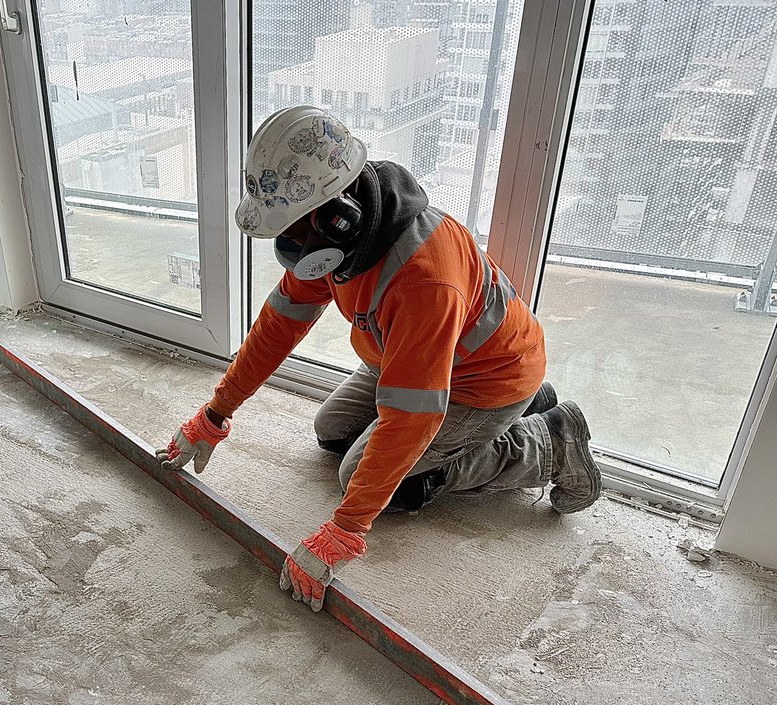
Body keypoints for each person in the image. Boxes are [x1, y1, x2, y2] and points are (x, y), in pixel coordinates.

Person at [157, 106, 601, 612]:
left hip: (486, 377)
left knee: (373, 482)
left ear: (339, 214)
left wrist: (345, 529)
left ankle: (550, 443)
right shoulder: (327, 233)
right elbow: (278, 325)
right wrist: (214, 415)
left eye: (294, 233)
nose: (290, 247)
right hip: (408, 359)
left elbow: (411, 415)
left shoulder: (424, 281)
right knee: (332, 429)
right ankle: (524, 410)